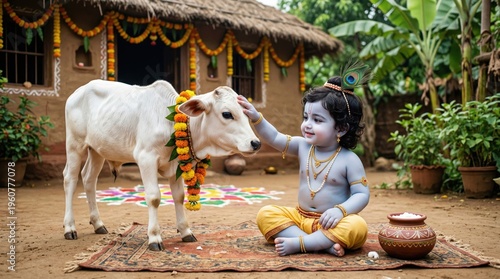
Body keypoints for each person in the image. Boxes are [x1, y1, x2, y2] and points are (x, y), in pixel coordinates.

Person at [237, 65, 370, 257]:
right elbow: (274, 137)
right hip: (300, 218)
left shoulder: (349, 159)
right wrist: (256, 118)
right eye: (306, 117)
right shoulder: (303, 146)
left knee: (357, 226)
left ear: (341, 128)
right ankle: (320, 244)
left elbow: (361, 195)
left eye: (317, 120)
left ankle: (301, 243)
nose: (307, 124)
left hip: (332, 221)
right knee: (266, 214)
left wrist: (340, 211)